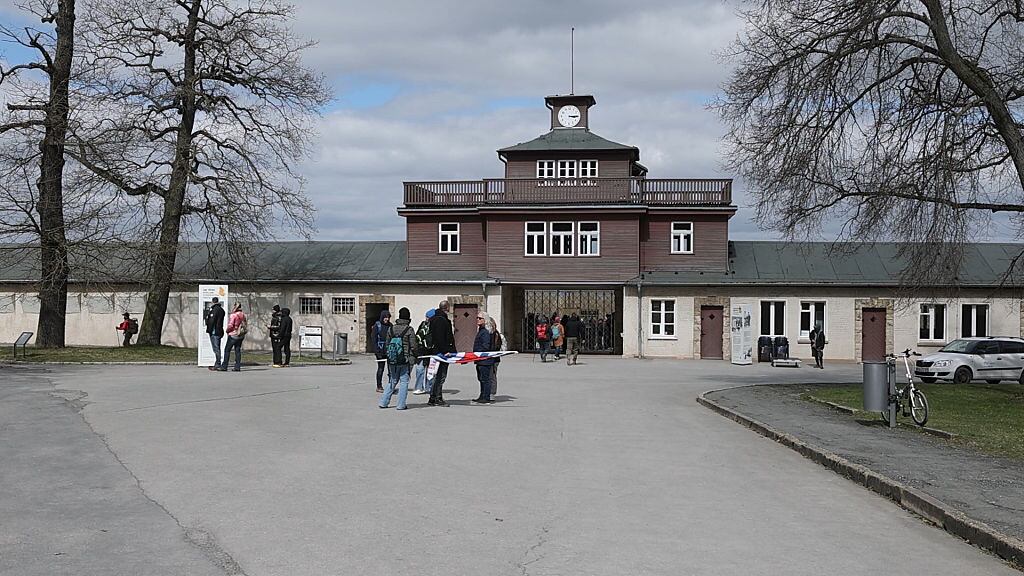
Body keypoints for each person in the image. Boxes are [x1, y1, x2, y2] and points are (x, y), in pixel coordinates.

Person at [380, 307, 416, 410]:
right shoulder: (409, 329)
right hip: (405, 360)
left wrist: (390, 355)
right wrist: (415, 356)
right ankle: (401, 405)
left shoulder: (391, 328)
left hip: (392, 359)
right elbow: (413, 346)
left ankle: (383, 402)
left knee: (392, 380)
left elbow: (387, 344)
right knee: (404, 381)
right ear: (408, 318)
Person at [427, 300, 456, 407]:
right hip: (441, 353)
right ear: (447, 308)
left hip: (436, 351)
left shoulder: (434, 319)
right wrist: (446, 351)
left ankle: (433, 397)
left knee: (437, 375)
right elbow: (440, 338)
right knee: (440, 376)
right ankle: (436, 398)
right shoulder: (441, 320)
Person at [472, 312, 495, 404]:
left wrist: (477, 351)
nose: (478, 319)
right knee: (481, 378)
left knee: (485, 379)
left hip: (485, 360)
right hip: (480, 360)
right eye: (477, 318)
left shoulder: (485, 332)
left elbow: (486, 346)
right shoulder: (481, 330)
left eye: (480, 318)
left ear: (485, 320)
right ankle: (482, 396)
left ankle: (486, 397)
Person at [413, 309, 435, 395]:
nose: (426, 318)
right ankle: (419, 387)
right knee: (419, 369)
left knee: (430, 370)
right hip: (421, 350)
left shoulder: (434, 326)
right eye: (426, 316)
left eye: (428, 317)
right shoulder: (423, 325)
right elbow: (418, 335)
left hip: (431, 351)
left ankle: (429, 387)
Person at [219, 303, 247, 371]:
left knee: (227, 350)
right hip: (240, 335)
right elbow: (245, 324)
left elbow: (231, 325)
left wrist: (227, 331)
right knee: (237, 350)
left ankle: (224, 366)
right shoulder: (243, 315)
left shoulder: (233, 315)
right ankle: (237, 367)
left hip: (233, 335)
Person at [371, 309, 392, 392]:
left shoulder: (390, 326)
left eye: (388, 317)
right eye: (385, 317)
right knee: (381, 368)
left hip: (389, 350)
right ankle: (379, 386)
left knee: (391, 369)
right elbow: (374, 339)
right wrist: (376, 351)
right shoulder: (377, 325)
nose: (387, 319)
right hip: (380, 350)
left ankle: (391, 386)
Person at [205, 297, 226, 370]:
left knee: (216, 348)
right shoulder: (222, 310)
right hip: (219, 331)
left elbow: (211, 321)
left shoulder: (214, 310)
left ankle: (218, 364)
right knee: (217, 348)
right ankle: (217, 363)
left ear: (212, 302)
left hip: (214, 332)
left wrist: (209, 329)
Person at [485, 315, 504, 397]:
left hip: (493, 358)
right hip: (493, 358)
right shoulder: (493, 333)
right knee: (490, 375)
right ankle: (489, 392)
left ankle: (492, 393)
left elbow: (496, 346)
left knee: (492, 376)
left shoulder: (494, 334)